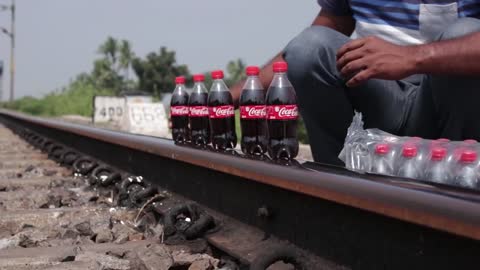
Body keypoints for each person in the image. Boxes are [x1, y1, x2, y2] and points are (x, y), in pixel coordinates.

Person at [230, 0, 480, 166]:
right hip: (379, 98)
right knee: (309, 47)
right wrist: (228, 96)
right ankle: (341, 184)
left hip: (448, 108)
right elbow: (320, 36)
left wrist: (412, 57)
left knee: (465, 32)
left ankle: (458, 178)